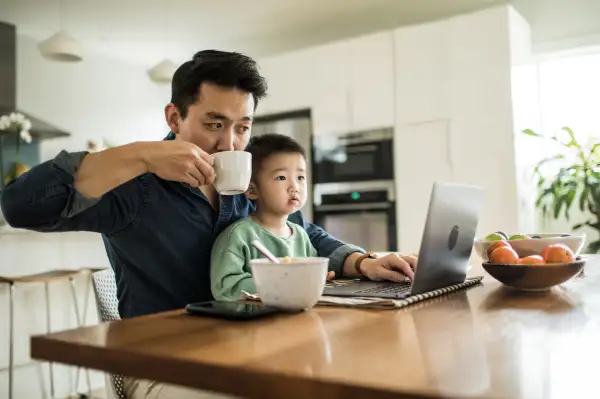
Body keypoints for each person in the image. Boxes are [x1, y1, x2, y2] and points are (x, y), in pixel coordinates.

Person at [0, 49, 416, 398]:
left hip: (251, 346)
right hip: (165, 363)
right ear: (174, 117)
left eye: (243, 128)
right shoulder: (133, 186)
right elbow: (19, 206)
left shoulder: (242, 186)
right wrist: (142, 155)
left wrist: (362, 263)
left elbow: (301, 232)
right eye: (215, 124)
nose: (229, 144)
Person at [211, 133, 330, 300]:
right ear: (252, 190)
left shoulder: (301, 235)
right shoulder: (239, 236)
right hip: (253, 322)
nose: (294, 187)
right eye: (281, 177)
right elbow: (226, 287)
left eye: (300, 177)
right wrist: (278, 284)